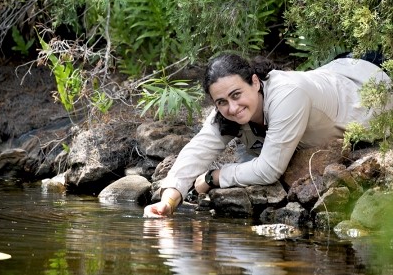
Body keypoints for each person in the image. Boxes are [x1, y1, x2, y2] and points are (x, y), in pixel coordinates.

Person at [143, 53, 389, 218]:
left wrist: (214, 176)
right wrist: (169, 199)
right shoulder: (231, 108)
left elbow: (270, 169)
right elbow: (198, 149)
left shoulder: (287, 95)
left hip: (373, 86)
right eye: (221, 102)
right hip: (337, 72)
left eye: (236, 94)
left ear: (255, 82)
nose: (231, 107)